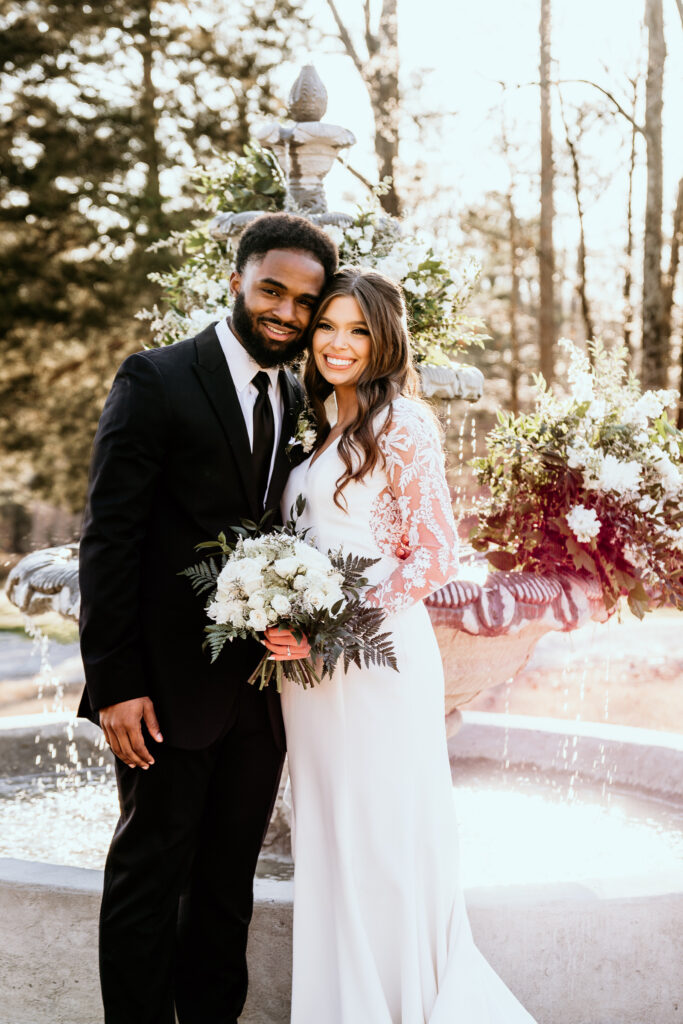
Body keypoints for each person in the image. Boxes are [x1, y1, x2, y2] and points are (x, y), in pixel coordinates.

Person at [77, 212, 338, 1024]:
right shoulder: (155, 378)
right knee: (149, 884)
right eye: (272, 290)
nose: (288, 314)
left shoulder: (299, 396)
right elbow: (109, 537)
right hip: (160, 694)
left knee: (227, 893)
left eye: (305, 301)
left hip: (258, 700)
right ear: (236, 281)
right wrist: (115, 683)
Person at [280, 266, 538, 1023]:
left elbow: (434, 554)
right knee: (329, 837)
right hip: (309, 670)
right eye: (326, 325)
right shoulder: (317, 421)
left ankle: (396, 1004)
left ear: (384, 339)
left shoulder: (404, 424)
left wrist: (332, 622)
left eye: (357, 329)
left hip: (374, 658)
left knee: (383, 836)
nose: (337, 342)